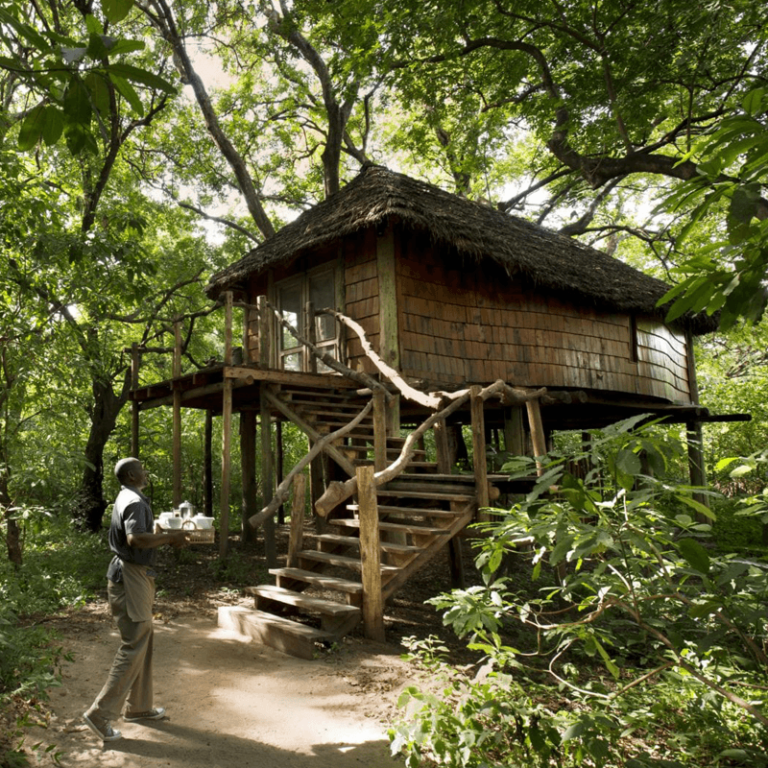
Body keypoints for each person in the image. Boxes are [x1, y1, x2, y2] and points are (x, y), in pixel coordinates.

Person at [83, 458, 189, 742]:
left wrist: (161, 529)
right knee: (134, 645)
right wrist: (169, 538)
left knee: (144, 639)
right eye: (142, 467)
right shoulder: (135, 501)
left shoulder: (127, 497)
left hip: (133, 575)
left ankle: (139, 707)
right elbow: (135, 539)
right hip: (130, 578)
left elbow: (139, 534)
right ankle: (99, 715)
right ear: (132, 475)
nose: (146, 470)